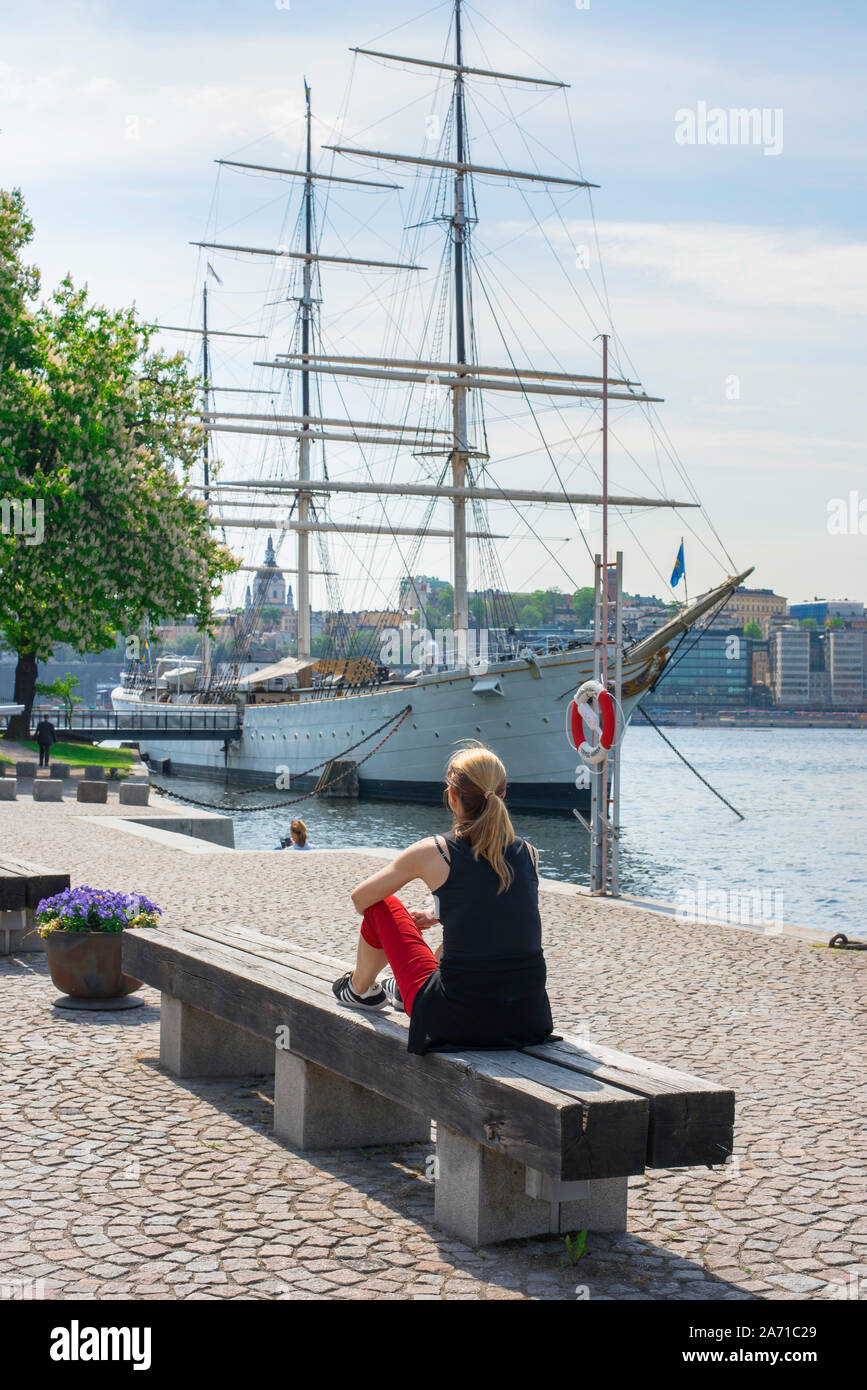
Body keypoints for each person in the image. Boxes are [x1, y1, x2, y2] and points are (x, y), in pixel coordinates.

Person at [332, 743, 554, 1056]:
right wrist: (439, 913)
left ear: (452, 796)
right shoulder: (528, 853)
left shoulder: (435, 851)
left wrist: (435, 912)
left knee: (383, 906)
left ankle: (360, 990)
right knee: (480, 939)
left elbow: (361, 899)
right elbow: (494, 907)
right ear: (503, 795)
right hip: (528, 1021)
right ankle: (398, 988)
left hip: (452, 1021)